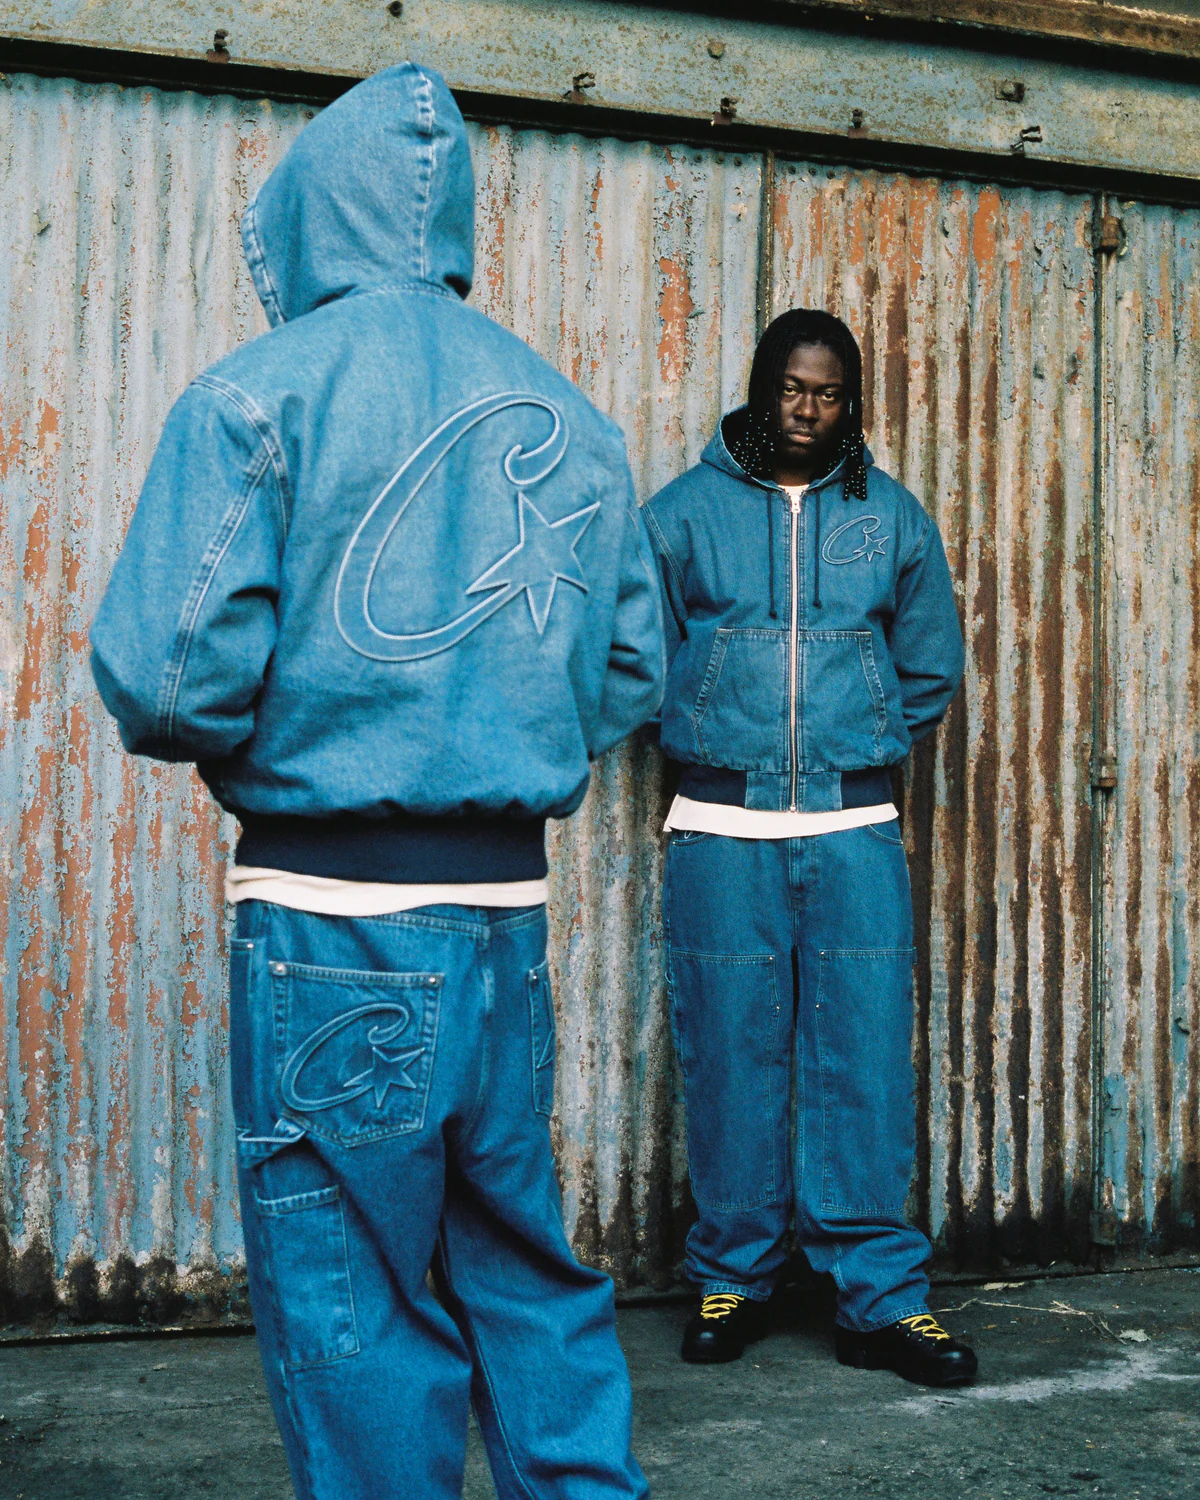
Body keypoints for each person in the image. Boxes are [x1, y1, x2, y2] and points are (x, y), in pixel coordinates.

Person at [90, 63, 663, 1500]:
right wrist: (497, 736)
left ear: (306, 218)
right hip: (506, 922)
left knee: (353, 1293)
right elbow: (631, 674)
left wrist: (309, 736)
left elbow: (167, 680)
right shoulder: (568, 410)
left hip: (331, 919)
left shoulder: (255, 397)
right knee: (523, 1261)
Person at [641, 308, 975, 1387]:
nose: (807, 409)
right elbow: (636, 656)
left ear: (849, 405)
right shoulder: (682, 515)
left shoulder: (891, 517)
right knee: (729, 1055)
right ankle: (732, 1274)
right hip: (721, 828)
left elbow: (927, 666)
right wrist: (708, 726)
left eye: (828, 394)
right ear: (761, 387)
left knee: (863, 1062)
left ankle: (879, 1298)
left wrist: (853, 743)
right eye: (792, 387)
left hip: (851, 828)